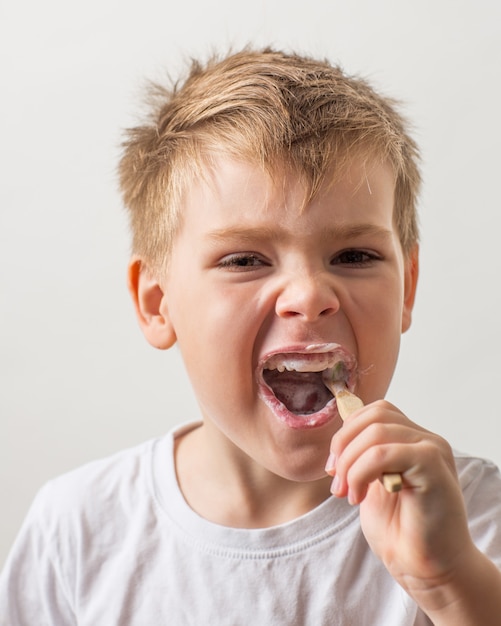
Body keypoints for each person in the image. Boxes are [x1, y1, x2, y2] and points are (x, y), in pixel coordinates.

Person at [1, 47, 501, 626]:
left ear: (407, 289)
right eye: (244, 260)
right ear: (158, 303)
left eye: (354, 255)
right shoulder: (78, 530)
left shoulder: (470, 523)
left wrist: (450, 585)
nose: (310, 294)